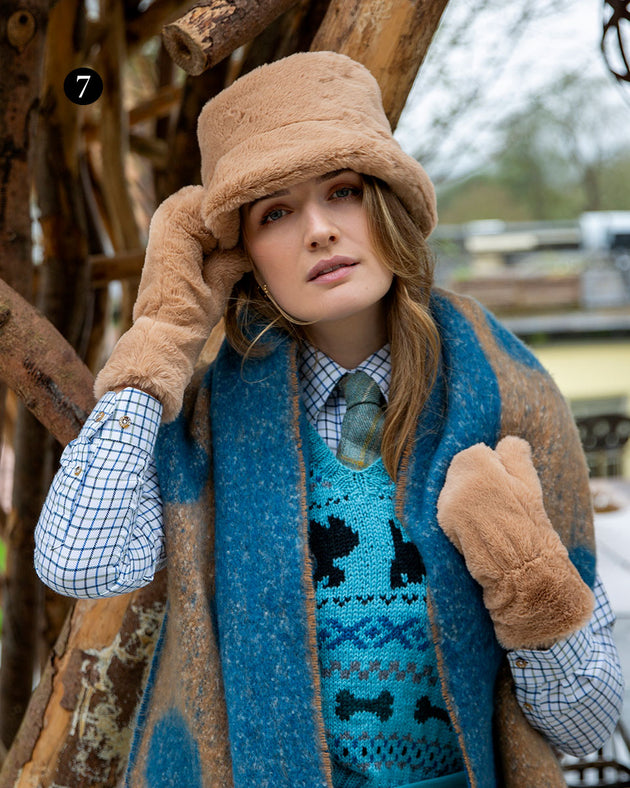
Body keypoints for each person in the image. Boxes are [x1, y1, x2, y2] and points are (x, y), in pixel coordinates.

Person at [35, 52, 624, 788]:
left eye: (342, 191)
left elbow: (589, 725)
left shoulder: (510, 398)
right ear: (241, 253)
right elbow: (77, 562)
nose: (318, 230)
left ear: (388, 202)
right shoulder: (211, 422)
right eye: (274, 212)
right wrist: (163, 333)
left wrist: (529, 581)